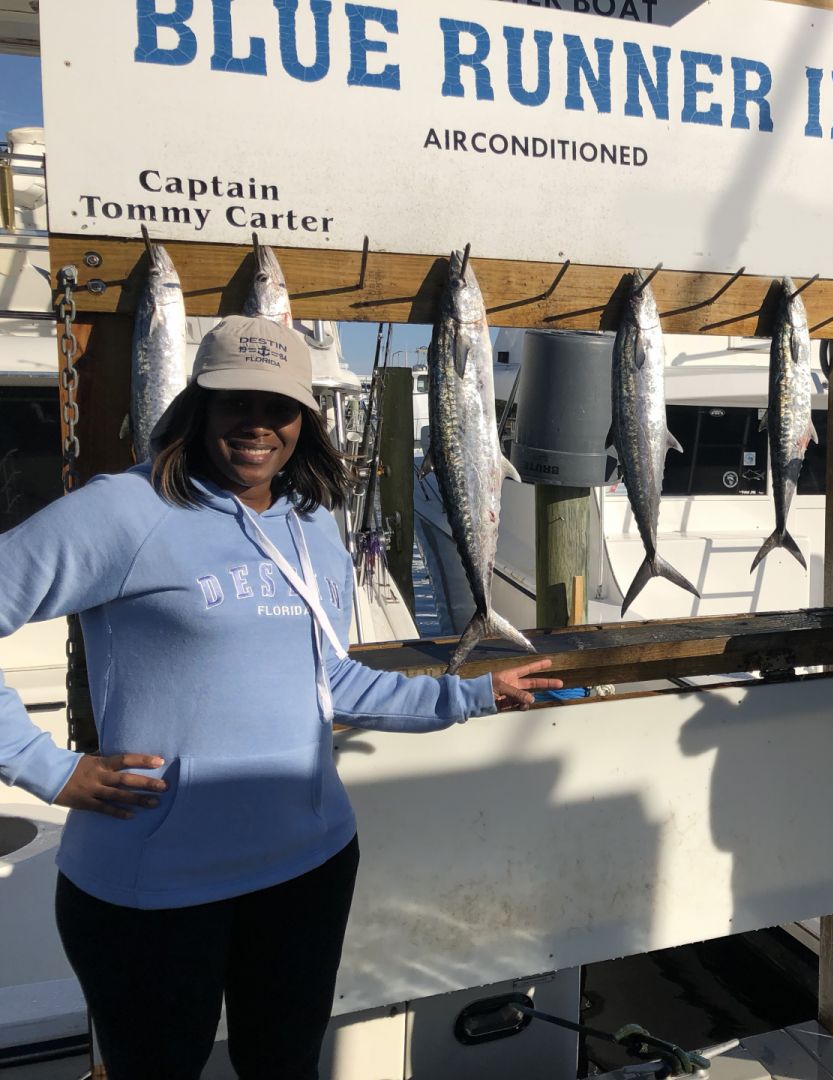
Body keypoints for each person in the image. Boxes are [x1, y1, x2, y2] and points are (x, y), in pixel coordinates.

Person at [0, 315, 562, 1080]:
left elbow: (328, 679)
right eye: (236, 401)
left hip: (308, 868)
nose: (257, 424)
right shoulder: (125, 511)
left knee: (286, 1068)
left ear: (306, 418)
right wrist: (47, 767)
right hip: (155, 890)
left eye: (280, 407)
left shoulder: (312, 522)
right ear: (198, 405)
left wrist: (467, 697)